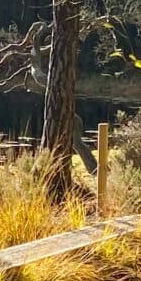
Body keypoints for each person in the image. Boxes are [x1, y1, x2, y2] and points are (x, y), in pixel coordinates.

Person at [25, 20, 98, 175]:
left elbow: (38, 67)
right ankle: (95, 170)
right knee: (75, 142)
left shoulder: (54, 74)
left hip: (71, 117)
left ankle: (95, 171)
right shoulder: (46, 73)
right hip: (71, 116)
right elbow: (36, 65)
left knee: (75, 142)